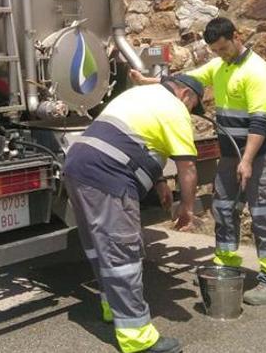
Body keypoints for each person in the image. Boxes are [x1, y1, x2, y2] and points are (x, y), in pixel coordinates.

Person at [130, 17, 266, 306]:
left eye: (224, 48)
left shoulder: (258, 72)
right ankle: (226, 264)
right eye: (216, 50)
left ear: (237, 36)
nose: (221, 54)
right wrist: (148, 81)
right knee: (224, 208)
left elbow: (260, 124)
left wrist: (248, 160)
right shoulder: (219, 66)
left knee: (262, 213)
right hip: (229, 153)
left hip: (259, 153)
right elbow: (183, 83)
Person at [63, 74, 202, 353]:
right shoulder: (175, 109)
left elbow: (140, 139)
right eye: (193, 106)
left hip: (78, 164)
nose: (191, 113)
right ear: (185, 94)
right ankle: (137, 338)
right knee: (122, 252)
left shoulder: (141, 94)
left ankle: (111, 308)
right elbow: (187, 168)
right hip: (107, 173)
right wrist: (186, 208)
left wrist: (160, 182)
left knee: (99, 246)